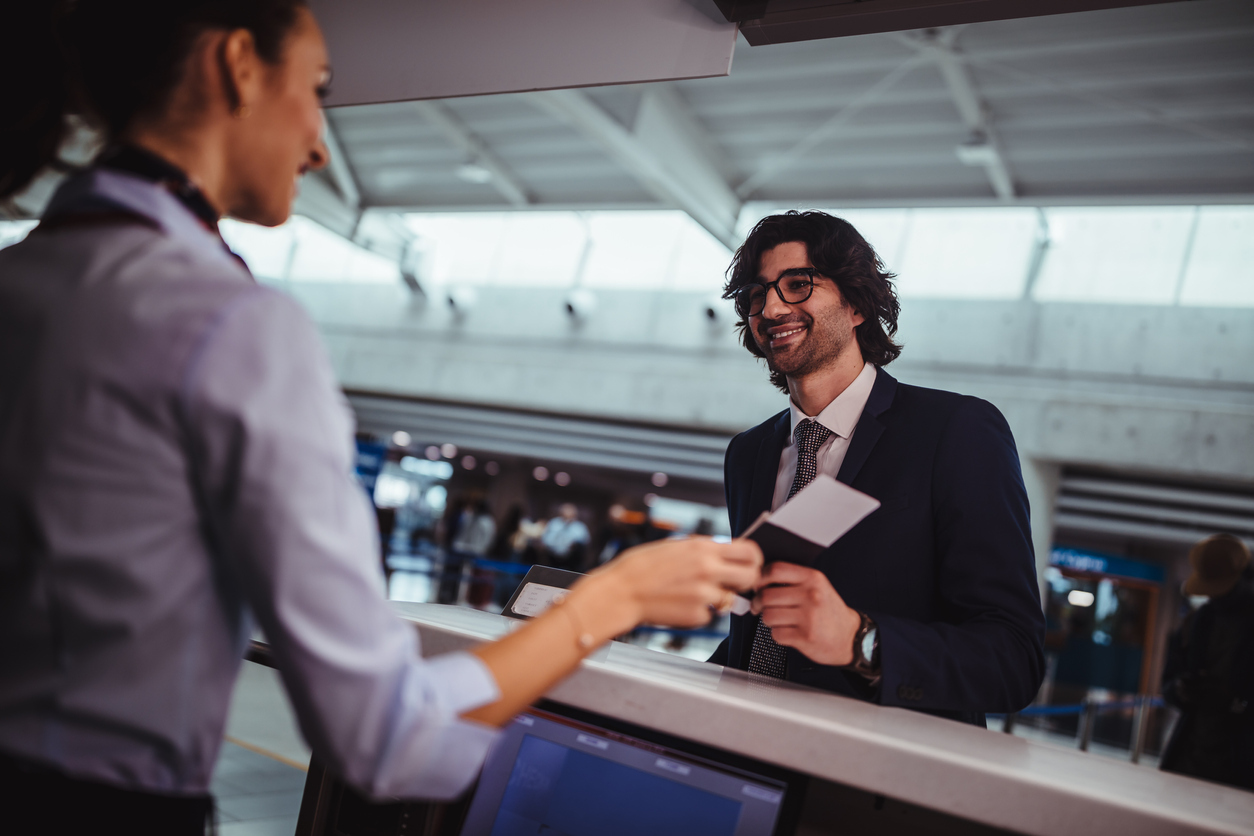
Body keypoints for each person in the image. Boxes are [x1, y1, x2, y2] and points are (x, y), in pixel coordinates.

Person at [0, 3, 762, 832]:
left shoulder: (25, 280)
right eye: (317, 89)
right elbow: (390, 738)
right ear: (238, 66)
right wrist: (615, 597)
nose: (321, 144)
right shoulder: (230, 326)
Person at [708, 211, 1045, 725]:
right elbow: (757, 641)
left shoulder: (956, 431)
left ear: (857, 303)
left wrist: (858, 639)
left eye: (797, 285)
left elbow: (1012, 660)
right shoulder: (748, 453)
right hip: (748, 762)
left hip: (876, 783)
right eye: (757, 294)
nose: (771, 306)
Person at [1160, 534, 1254, 790]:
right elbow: (1168, 684)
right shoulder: (1197, 622)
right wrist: (1180, 690)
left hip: (1241, 767)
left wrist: (1237, 701)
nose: (1215, 597)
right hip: (1188, 760)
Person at [538, 503, 592, 570]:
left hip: (572, 560)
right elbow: (546, 539)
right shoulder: (554, 523)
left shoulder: (580, 527)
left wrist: (575, 545)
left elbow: (585, 541)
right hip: (553, 558)